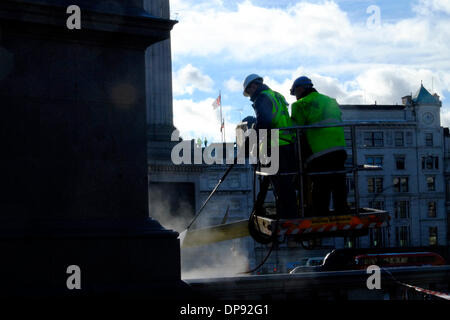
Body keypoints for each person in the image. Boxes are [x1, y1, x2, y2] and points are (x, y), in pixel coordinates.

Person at [290, 76, 349, 216]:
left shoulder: (300, 105)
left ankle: (320, 212)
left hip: (319, 151)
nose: (295, 97)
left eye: (295, 93)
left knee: (321, 184)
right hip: (339, 148)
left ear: (300, 88)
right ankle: (342, 209)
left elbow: (296, 128)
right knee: (339, 182)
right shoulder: (330, 100)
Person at [243, 74, 298, 219]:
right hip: (286, 143)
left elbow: (264, 124)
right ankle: (287, 214)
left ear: (253, 86)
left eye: (249, 92)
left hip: (274, 145)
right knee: (284, 185)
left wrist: (248, 145)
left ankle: (287, 217)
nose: (249, 96)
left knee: (281, 186)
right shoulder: (275, 95)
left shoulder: (262, 98)